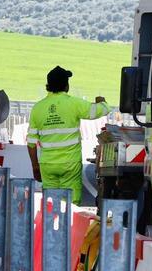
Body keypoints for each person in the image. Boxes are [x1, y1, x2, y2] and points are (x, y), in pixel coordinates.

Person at [26, 66, 111, 203]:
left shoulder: (37, 108)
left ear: (48, 85)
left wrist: (35, 167)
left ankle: (51, 223)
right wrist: (102, 102)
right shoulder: (74, 104)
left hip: (47, 164)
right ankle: (70, 223)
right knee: (72, 203)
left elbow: (31, 143)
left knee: (50, 203)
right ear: (66, 85)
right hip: (70, 164)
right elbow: (101, 110)